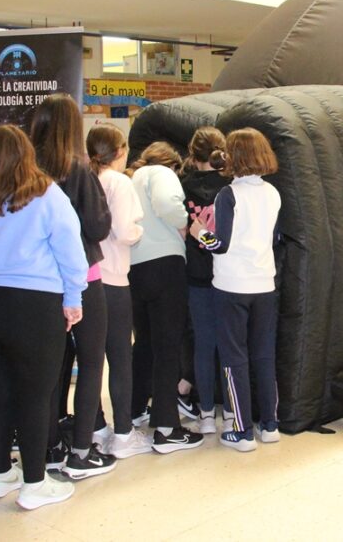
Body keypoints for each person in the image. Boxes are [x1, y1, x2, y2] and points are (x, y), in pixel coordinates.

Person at [0, 125, 87, 510]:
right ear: (27, 154)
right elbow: (71, 250)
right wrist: (73, 296)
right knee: (36, 394)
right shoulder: (46, 193)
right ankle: (35, 482)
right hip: (33, 304)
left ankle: (0, 473)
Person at [29, 94, 115, 479]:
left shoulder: (26, 169)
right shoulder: (79, 170)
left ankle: (49, 448)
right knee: (92, 360)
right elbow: (98, 227)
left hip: (41, 282)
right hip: (81, 278)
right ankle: (82, 449)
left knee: (52, 367)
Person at [189, 128, 282, 452]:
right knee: (264, 354)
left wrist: (199, 232)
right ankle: (269, 424)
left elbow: (220, 244)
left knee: (234, 358)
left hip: (231, 287)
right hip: (264, 284)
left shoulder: (228, 195)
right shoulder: (272, 193)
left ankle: (241, 431)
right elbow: (274, 239)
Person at [128, 142, 204, 453]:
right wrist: (186, 222)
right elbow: (169, 206)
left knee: (144, 343)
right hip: (165, 264)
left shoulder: (131, 178)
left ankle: (135, 410)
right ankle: (167, 427)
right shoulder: (161, 173)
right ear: (173, 164)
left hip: (135, 266)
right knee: (168, 344)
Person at [85, 125, 152, 458]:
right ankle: (123, 433)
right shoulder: (120, 182)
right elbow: (125, 231)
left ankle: (96, 427)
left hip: (88, 278)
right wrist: (139, 228)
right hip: (113, 277)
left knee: (92, 360)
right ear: (121, 151)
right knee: (120, 358)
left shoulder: (85, 179)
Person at [179, 127, 231, 434]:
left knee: (203, 342)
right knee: (229, 344)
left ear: (192, 154)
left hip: (196, 273)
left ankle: (207, 414)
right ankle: (230, 411)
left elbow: (180, 228)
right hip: (228, 273)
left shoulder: (183, 187)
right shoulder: (231, 186)